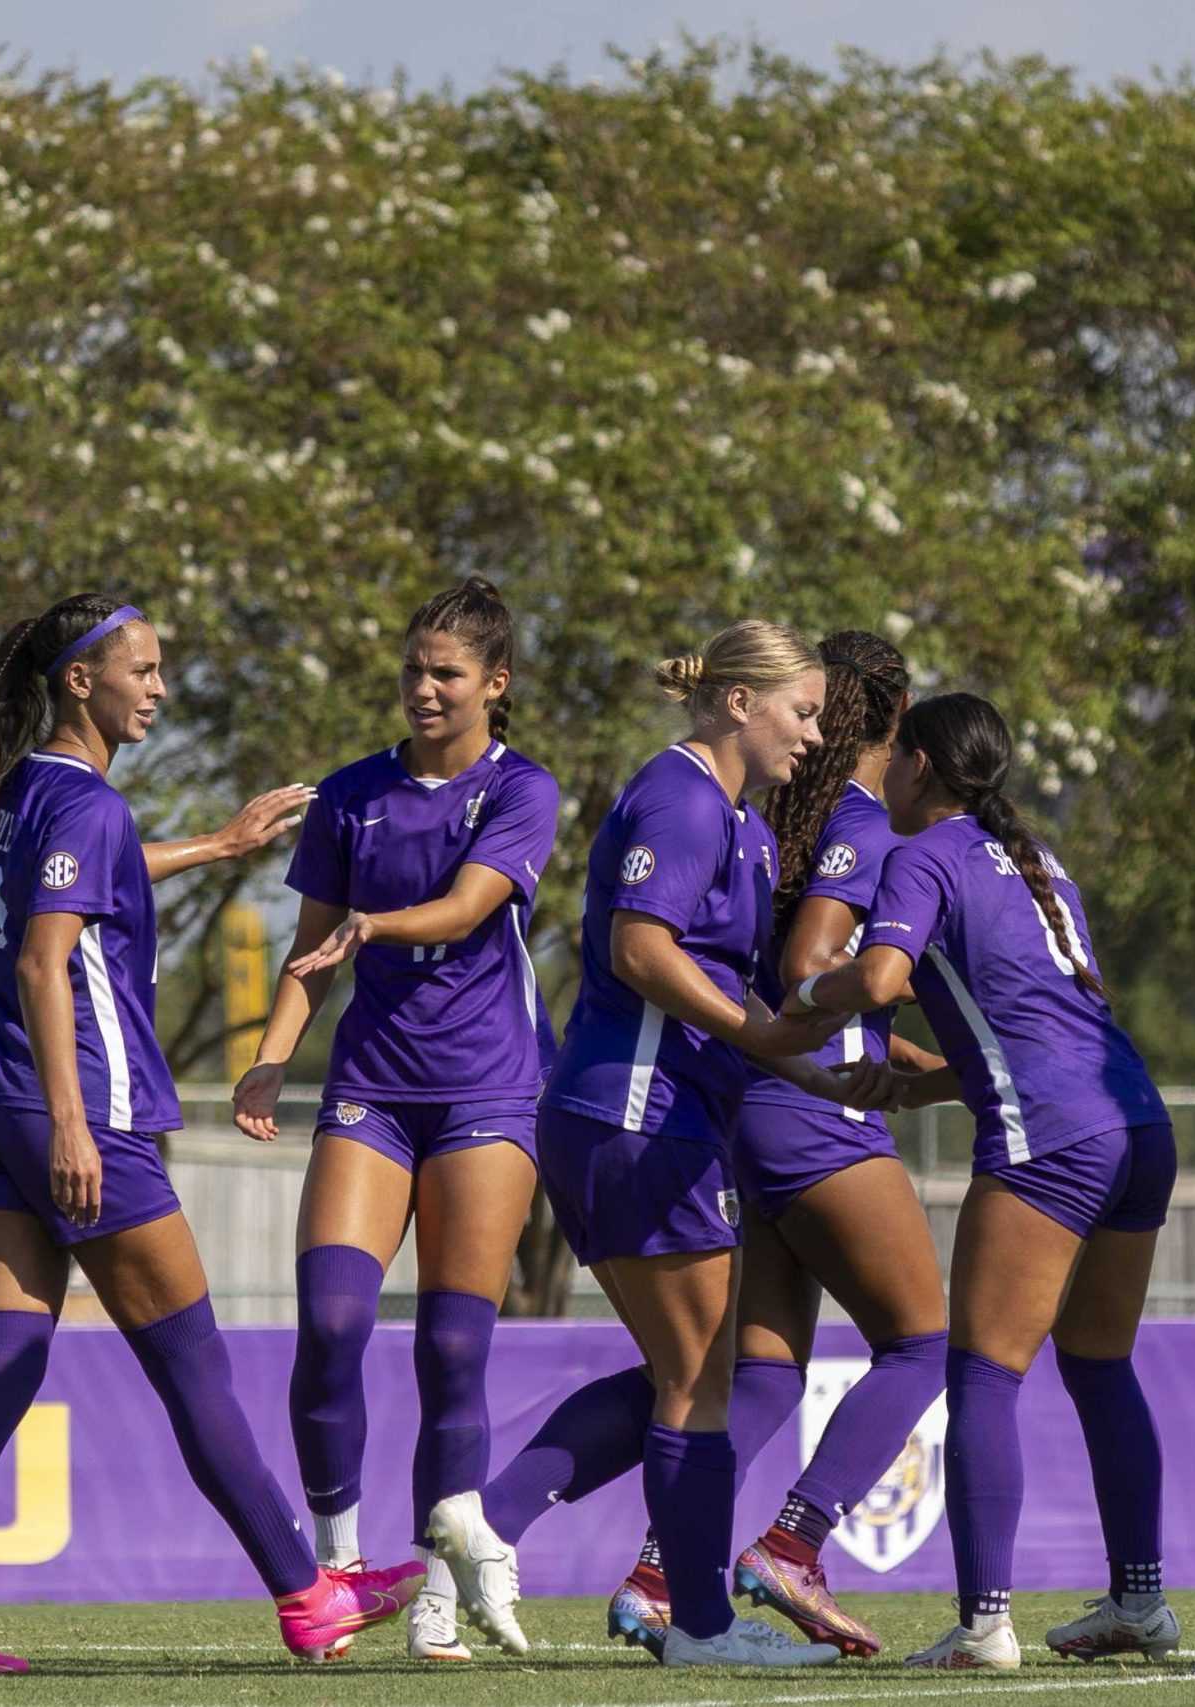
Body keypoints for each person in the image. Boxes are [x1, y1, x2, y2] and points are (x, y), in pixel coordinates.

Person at [0, 594, 421, 1671]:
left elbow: (91, 879)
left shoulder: (29, 791)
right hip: (80, 1115)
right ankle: (306, 1592)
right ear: (81, 680)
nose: (161, 688)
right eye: (144, 669)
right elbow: (48, 961)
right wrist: (78, 1131)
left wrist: (219, 844)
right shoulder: (83, 807)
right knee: (194, 1368)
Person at [481, 619, 850, 1670]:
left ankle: (498, 1523)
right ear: (740, 702)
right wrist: (762, 1034)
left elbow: (741, 997)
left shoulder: (747, 825)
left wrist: (842, 1070)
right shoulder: (682, 794)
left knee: (688, 1374)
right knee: (699, 1379)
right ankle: (696, 1624)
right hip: (633, 1108)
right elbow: (639, 949)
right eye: (804, 711)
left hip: (647, 1114)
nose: (815, 737)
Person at [783, 690, 1177, 1671]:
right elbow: (1047, 1022)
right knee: (1097, 1364)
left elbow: (875, 981)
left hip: (1051, 1142)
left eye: (892, 761)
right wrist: (928, 1090)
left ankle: (984, 1624)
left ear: (918, 764)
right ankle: (1140, 1602)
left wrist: (802, 995)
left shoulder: (920, 853)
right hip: (1136, 1122)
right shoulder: (1040, 861)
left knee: (982, 1372)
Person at [599, 629, 949, 1658]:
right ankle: (793, 1545)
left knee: (761, 1371)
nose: (801, 729)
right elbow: (806, 962)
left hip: (750, 1103)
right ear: (900, 716)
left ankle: (660, 1575)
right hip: (808, 1109)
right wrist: (908, 980)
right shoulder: (855, 814)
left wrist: (919, 1059)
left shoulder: (780, 811)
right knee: (925, 1341)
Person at [230, 578, 557, 1662]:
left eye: (446, 673)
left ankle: (433, 1592)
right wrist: (269, 1063)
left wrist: (376, 923)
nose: (423, 688)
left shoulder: (524, 791)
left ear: (493, 686)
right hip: (370, 1090)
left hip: (488, 1092)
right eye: (414, 669)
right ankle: (335, 1572)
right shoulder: (350, 793)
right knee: (329, 1325)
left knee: (452, 1349)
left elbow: (468, 908)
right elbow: (311, 949)